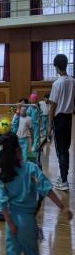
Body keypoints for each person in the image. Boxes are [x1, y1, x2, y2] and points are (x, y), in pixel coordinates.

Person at [0, 133, 73, 255]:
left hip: (11, 224)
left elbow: (2, 204)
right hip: (27, 221)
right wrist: (63, 207)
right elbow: (46, 189)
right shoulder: (31, 169)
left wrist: (10, 224)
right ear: (17, 151)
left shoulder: (3, 175)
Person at [48, 54, 75, 191]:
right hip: (69, 119)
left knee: (61, 150)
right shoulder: (72, 81)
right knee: (66, 149)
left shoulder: (57, 84)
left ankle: (64, 181)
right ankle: (64, 177)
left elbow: (52, 107)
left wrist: (48, 127)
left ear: (57, 67)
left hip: (59, 120)